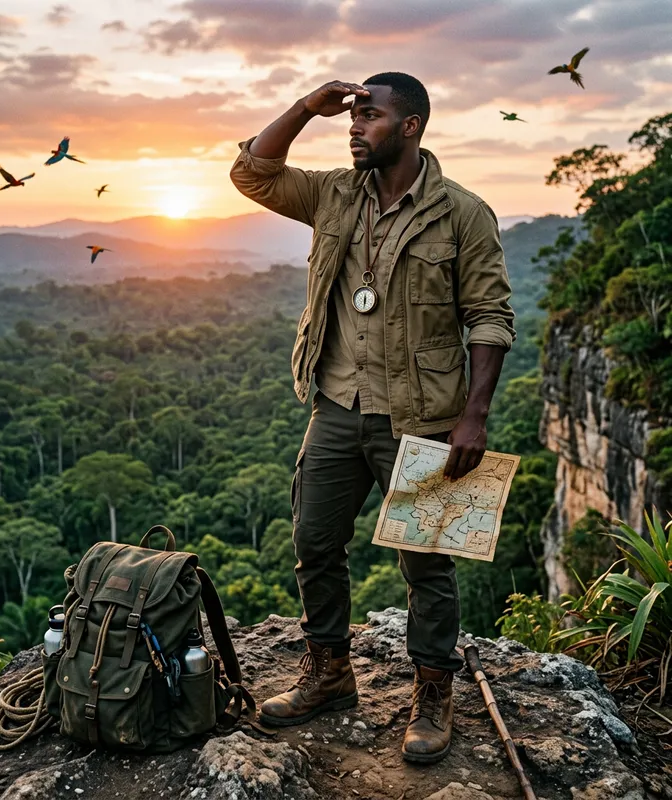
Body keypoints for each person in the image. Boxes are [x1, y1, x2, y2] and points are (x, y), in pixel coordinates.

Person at [229, 73, 515, 764]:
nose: (355, 127)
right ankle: (329, 673)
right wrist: (305, 105)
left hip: (425, 416)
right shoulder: (334, 192)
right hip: (335, 405)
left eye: (370, 116)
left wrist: (473, 418)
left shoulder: (462, 213)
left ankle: (433, 693)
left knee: (428, 565)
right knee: (314, 543)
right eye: (352, 116)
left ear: (411, 125)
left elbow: (490, 316)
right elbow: (251, 172)